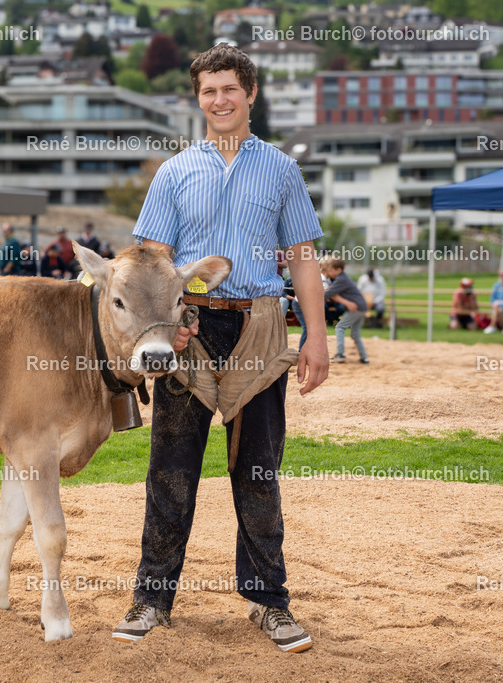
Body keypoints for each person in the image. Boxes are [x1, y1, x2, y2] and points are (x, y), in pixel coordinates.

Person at [112, 43, 328, 654]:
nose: (219, 100)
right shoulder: (176, 171)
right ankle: (151, 600)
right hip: (190, 328)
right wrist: (163, 329)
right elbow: (150, 263)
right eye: (209, 90)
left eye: (230, 88)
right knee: (171, 472)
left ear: (251, 94)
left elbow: (304, 261)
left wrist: (316, 337)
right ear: (197, 97)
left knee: (257, 471)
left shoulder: (282, 170)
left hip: (260, 327)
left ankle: (269, 603)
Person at [324, 258, 369, 364]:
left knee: (340, 327)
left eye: (331, 271)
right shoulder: (342, 278)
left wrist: (328, 292)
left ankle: (340, 354)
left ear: (339, 270)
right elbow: (331, 294)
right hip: (361, 307)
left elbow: (327, 294)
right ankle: (364, 357)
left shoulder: (341, 279)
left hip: (356, 308)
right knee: (355, 334)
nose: (329, 273)